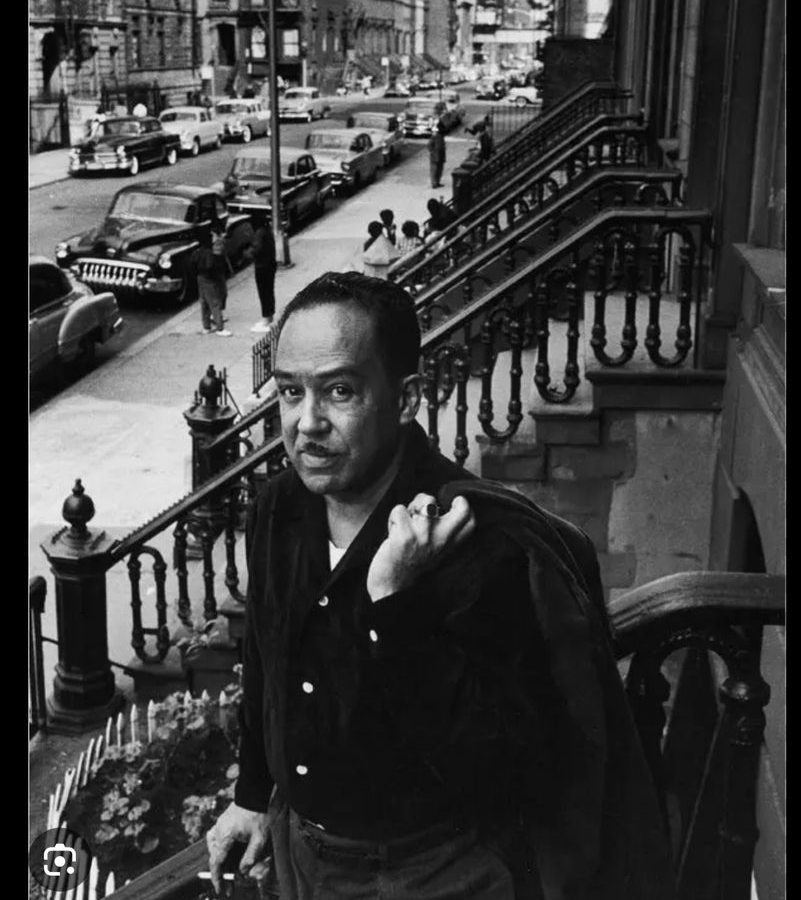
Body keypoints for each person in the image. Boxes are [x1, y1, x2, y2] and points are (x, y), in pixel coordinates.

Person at [205, 272, 676, 900]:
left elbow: (509, 766)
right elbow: (266, 658)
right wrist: (251, 795)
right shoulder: (278, 507)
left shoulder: (481, 542)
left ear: (405, 399)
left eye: (339, 391)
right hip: (305, 860)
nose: (306, 422)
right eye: (291, 392)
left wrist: (397, 606)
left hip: (434, 873)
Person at [193, 228, 231, 336]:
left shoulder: (199, 252)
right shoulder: (210, 253)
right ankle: (220, 328)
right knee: (215, 302)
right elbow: (212, 266)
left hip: (201, 278)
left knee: (204, 302)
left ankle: (206, 327)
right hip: (210, 279)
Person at [248, 222, 278, 334]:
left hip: (262, 266)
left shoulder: (259, 233)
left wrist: (247, 253)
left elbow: (256, 249)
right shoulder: (267, 230)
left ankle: (266, 320)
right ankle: (269, 318)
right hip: (270, 264)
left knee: (264, 293)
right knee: (269, 292)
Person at [428, 120, 447, 188]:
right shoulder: (435, 136)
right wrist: (433, 152)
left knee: (439, 170)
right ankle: (434, 183)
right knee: (434, 170)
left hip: (440, 156)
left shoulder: (441, 137)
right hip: (435, 157)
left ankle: (437, 182)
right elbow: (429, 145)